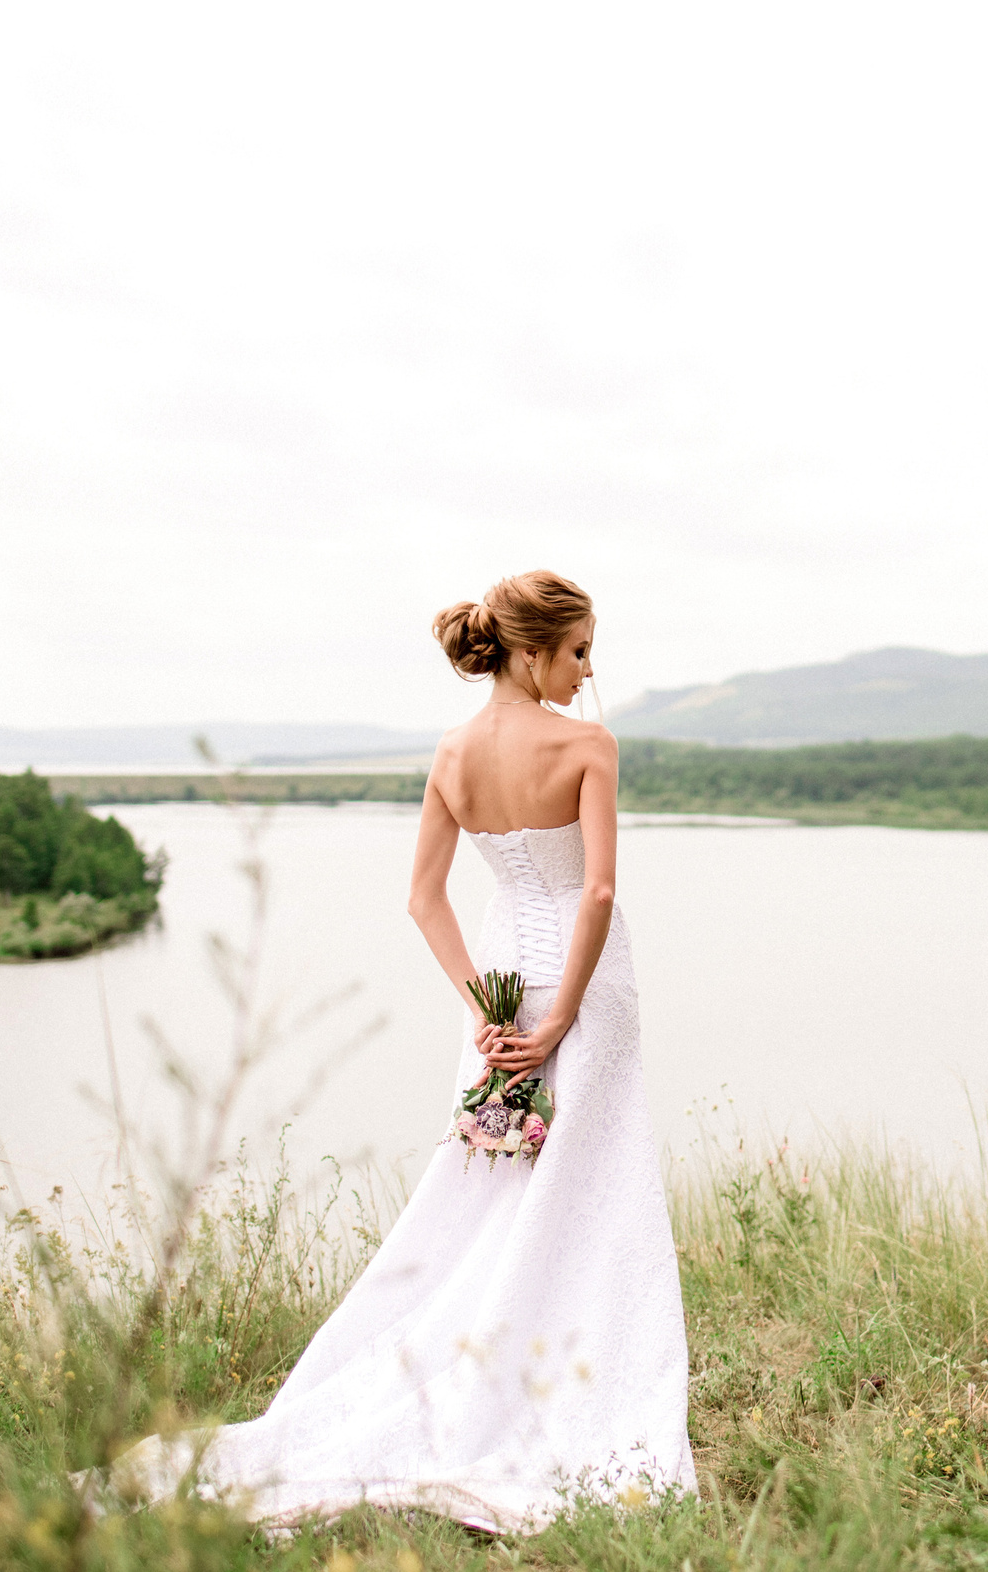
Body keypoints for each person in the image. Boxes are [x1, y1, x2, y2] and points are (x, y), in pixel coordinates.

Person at [97, 570, 693, 1533]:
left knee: (490, 1191)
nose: (589, 671)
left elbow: (424, 898)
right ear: (531, 650)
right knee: (595, 1182)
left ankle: (486, 1372)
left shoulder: (453, 754)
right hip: (583, 989)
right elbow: (593, 894)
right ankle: (566, 1385)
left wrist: (486, 1008)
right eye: (579, 650)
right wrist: (562, 1016)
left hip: (499, 990)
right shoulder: (587, 744)